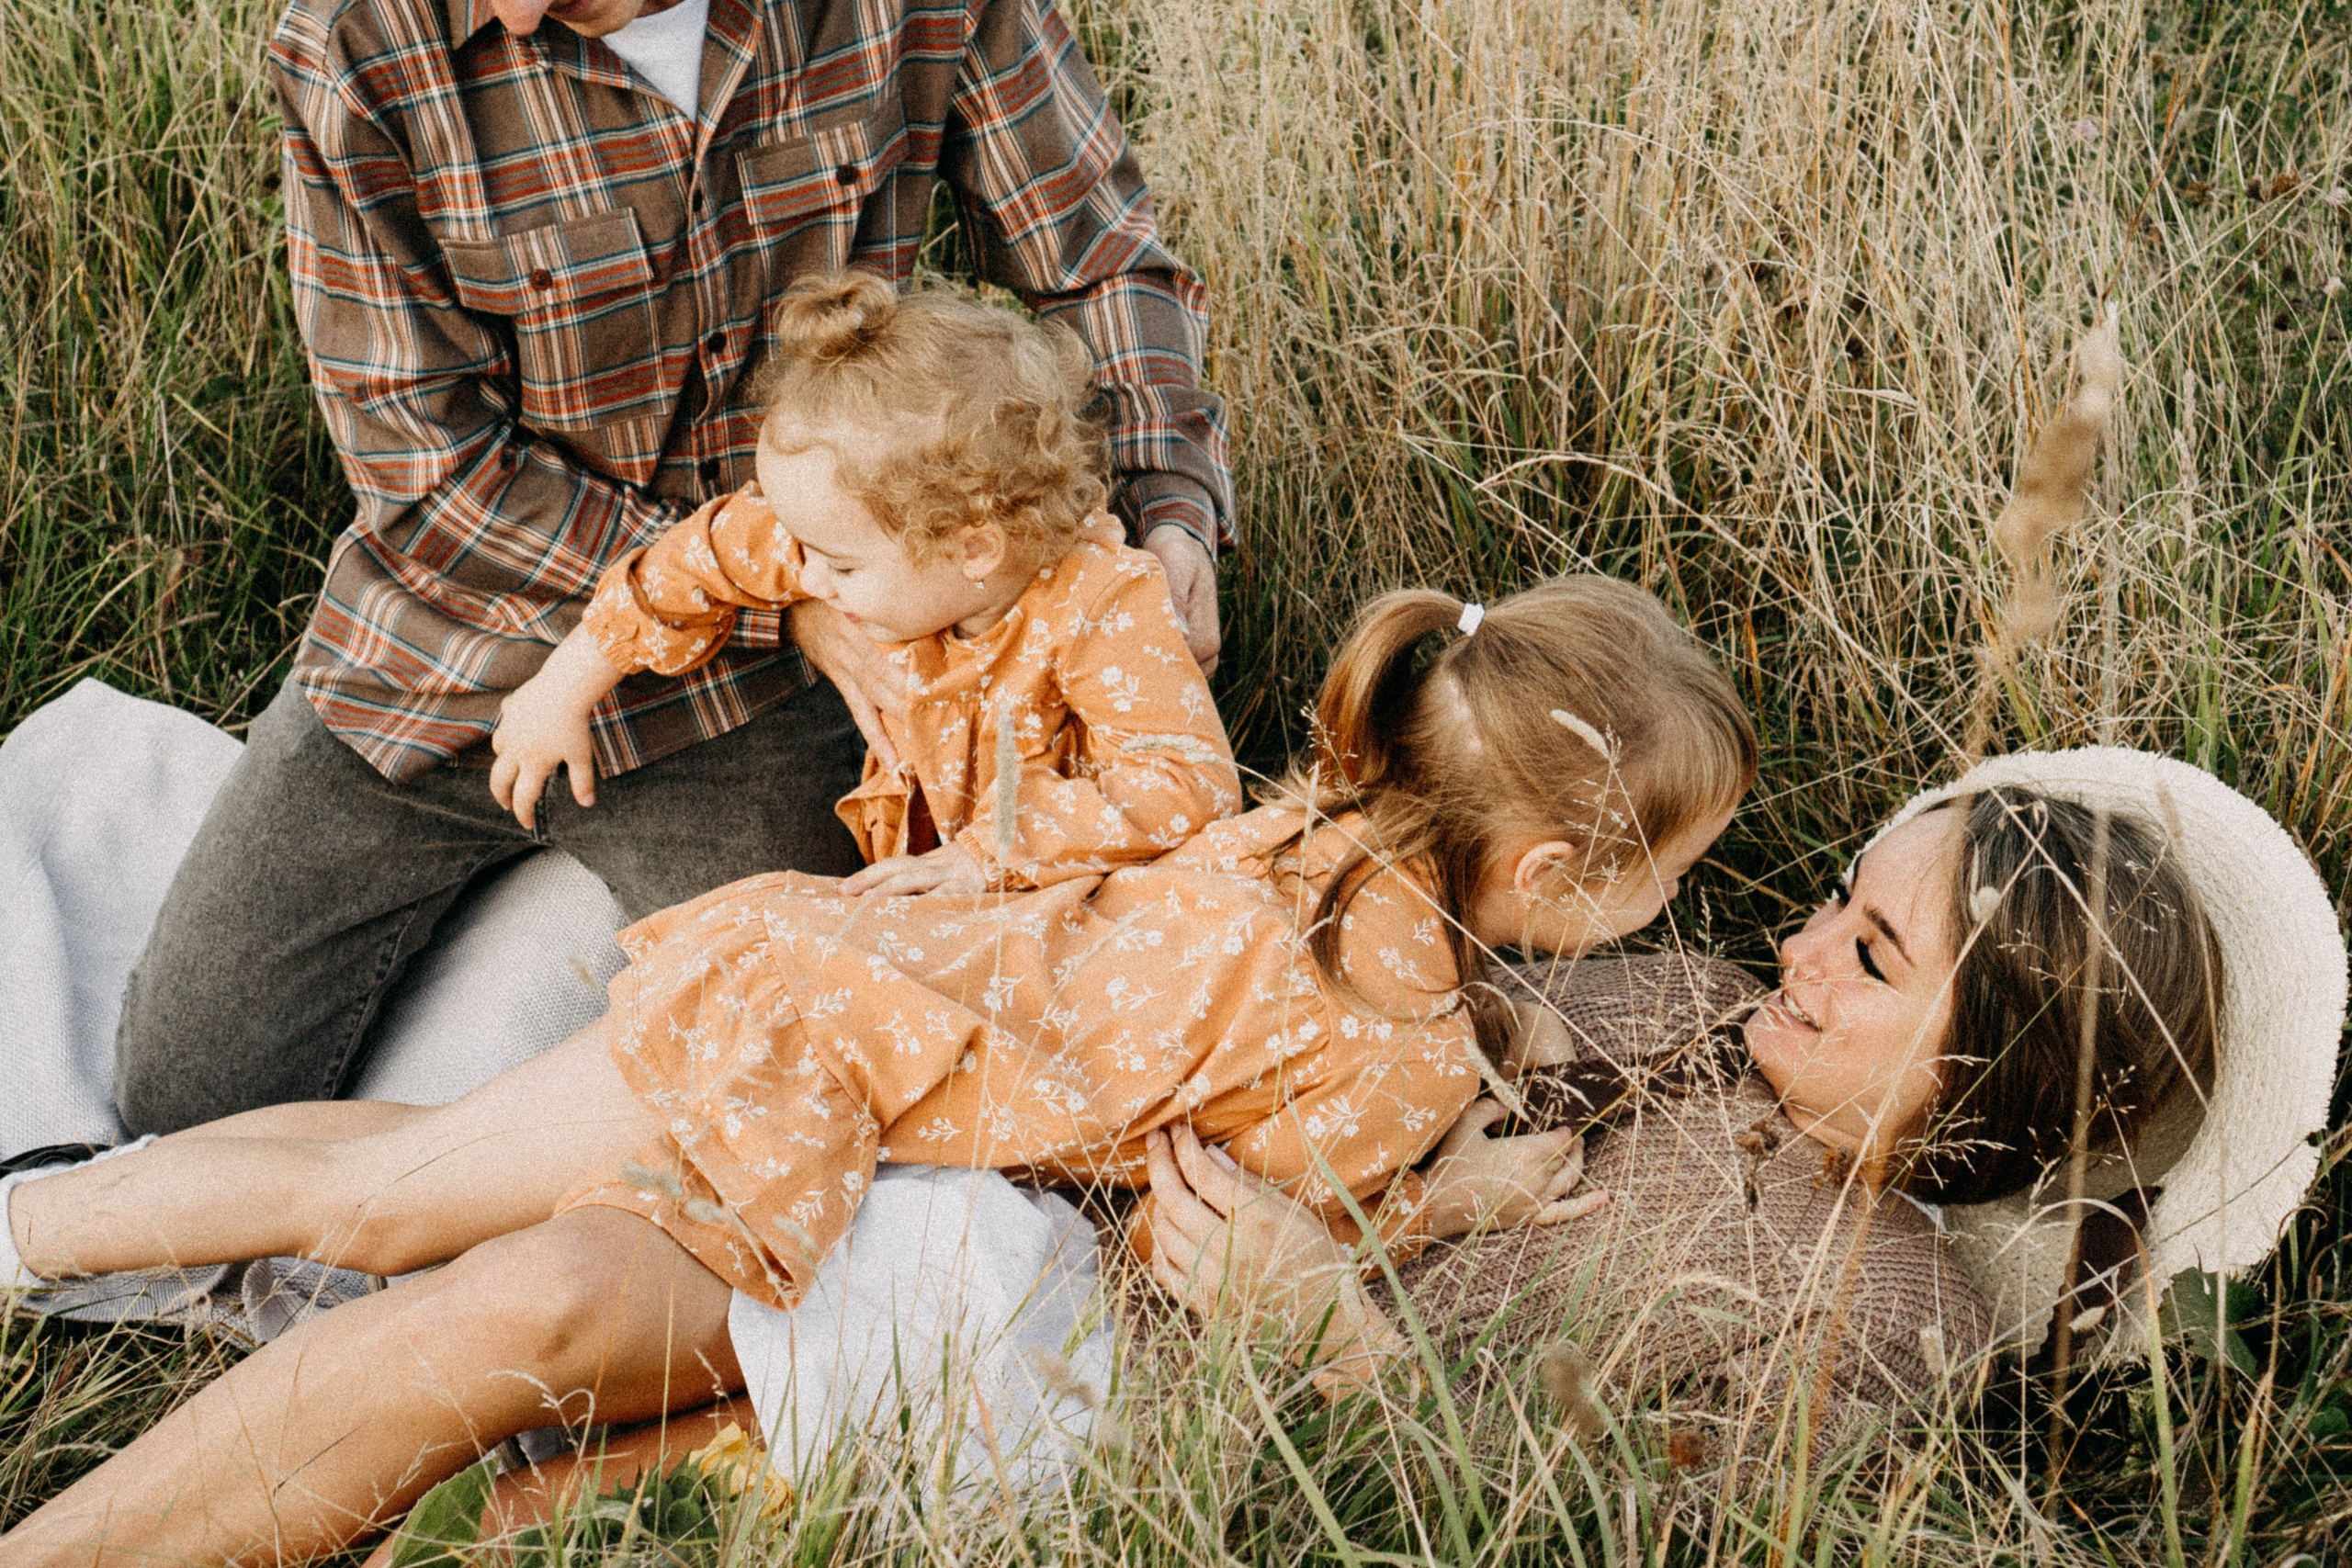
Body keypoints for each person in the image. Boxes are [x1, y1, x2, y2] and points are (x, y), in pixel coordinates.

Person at [0, 574, 1758, 1567]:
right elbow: (1220, 1233)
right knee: (382, 1205)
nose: (1675, 900)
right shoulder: (1396, 1052)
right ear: (1550, 879)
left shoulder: (1286, 827)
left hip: (821, 982)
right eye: (1671, 868)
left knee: (387, 1175)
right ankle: (41, 1240)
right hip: (824, 1078)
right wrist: (1448, 1192)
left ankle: (46, 1228)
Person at [110, 0, 1233, 1135]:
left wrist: (1168, 504)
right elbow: (425, 463)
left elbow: (1098, 261)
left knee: (771, 1104)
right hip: (458, 646)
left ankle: (542, 940)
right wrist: (781, 596)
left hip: (768, 707)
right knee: (181, 1107)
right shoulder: (358, 40)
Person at [1140, 775, 2239, 1460]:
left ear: (1988, 1071)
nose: (1798, 950)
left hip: (1153, 1434)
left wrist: (1328, 1332)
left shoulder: (1896, 1310)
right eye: (1838, 898)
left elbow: (1593, 1524)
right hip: (1105, 1202)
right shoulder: (1703, 995)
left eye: (1868, 955)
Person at [488, 269, 1242, 895]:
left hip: (1064, 889)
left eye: (839, 568)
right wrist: (569, 683)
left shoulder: (1099, 602)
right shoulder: (854, 526)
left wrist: (984, 858)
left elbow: (1188, 782)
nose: (809, 579)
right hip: (927, 869)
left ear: (974, 547)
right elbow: (705, 556)